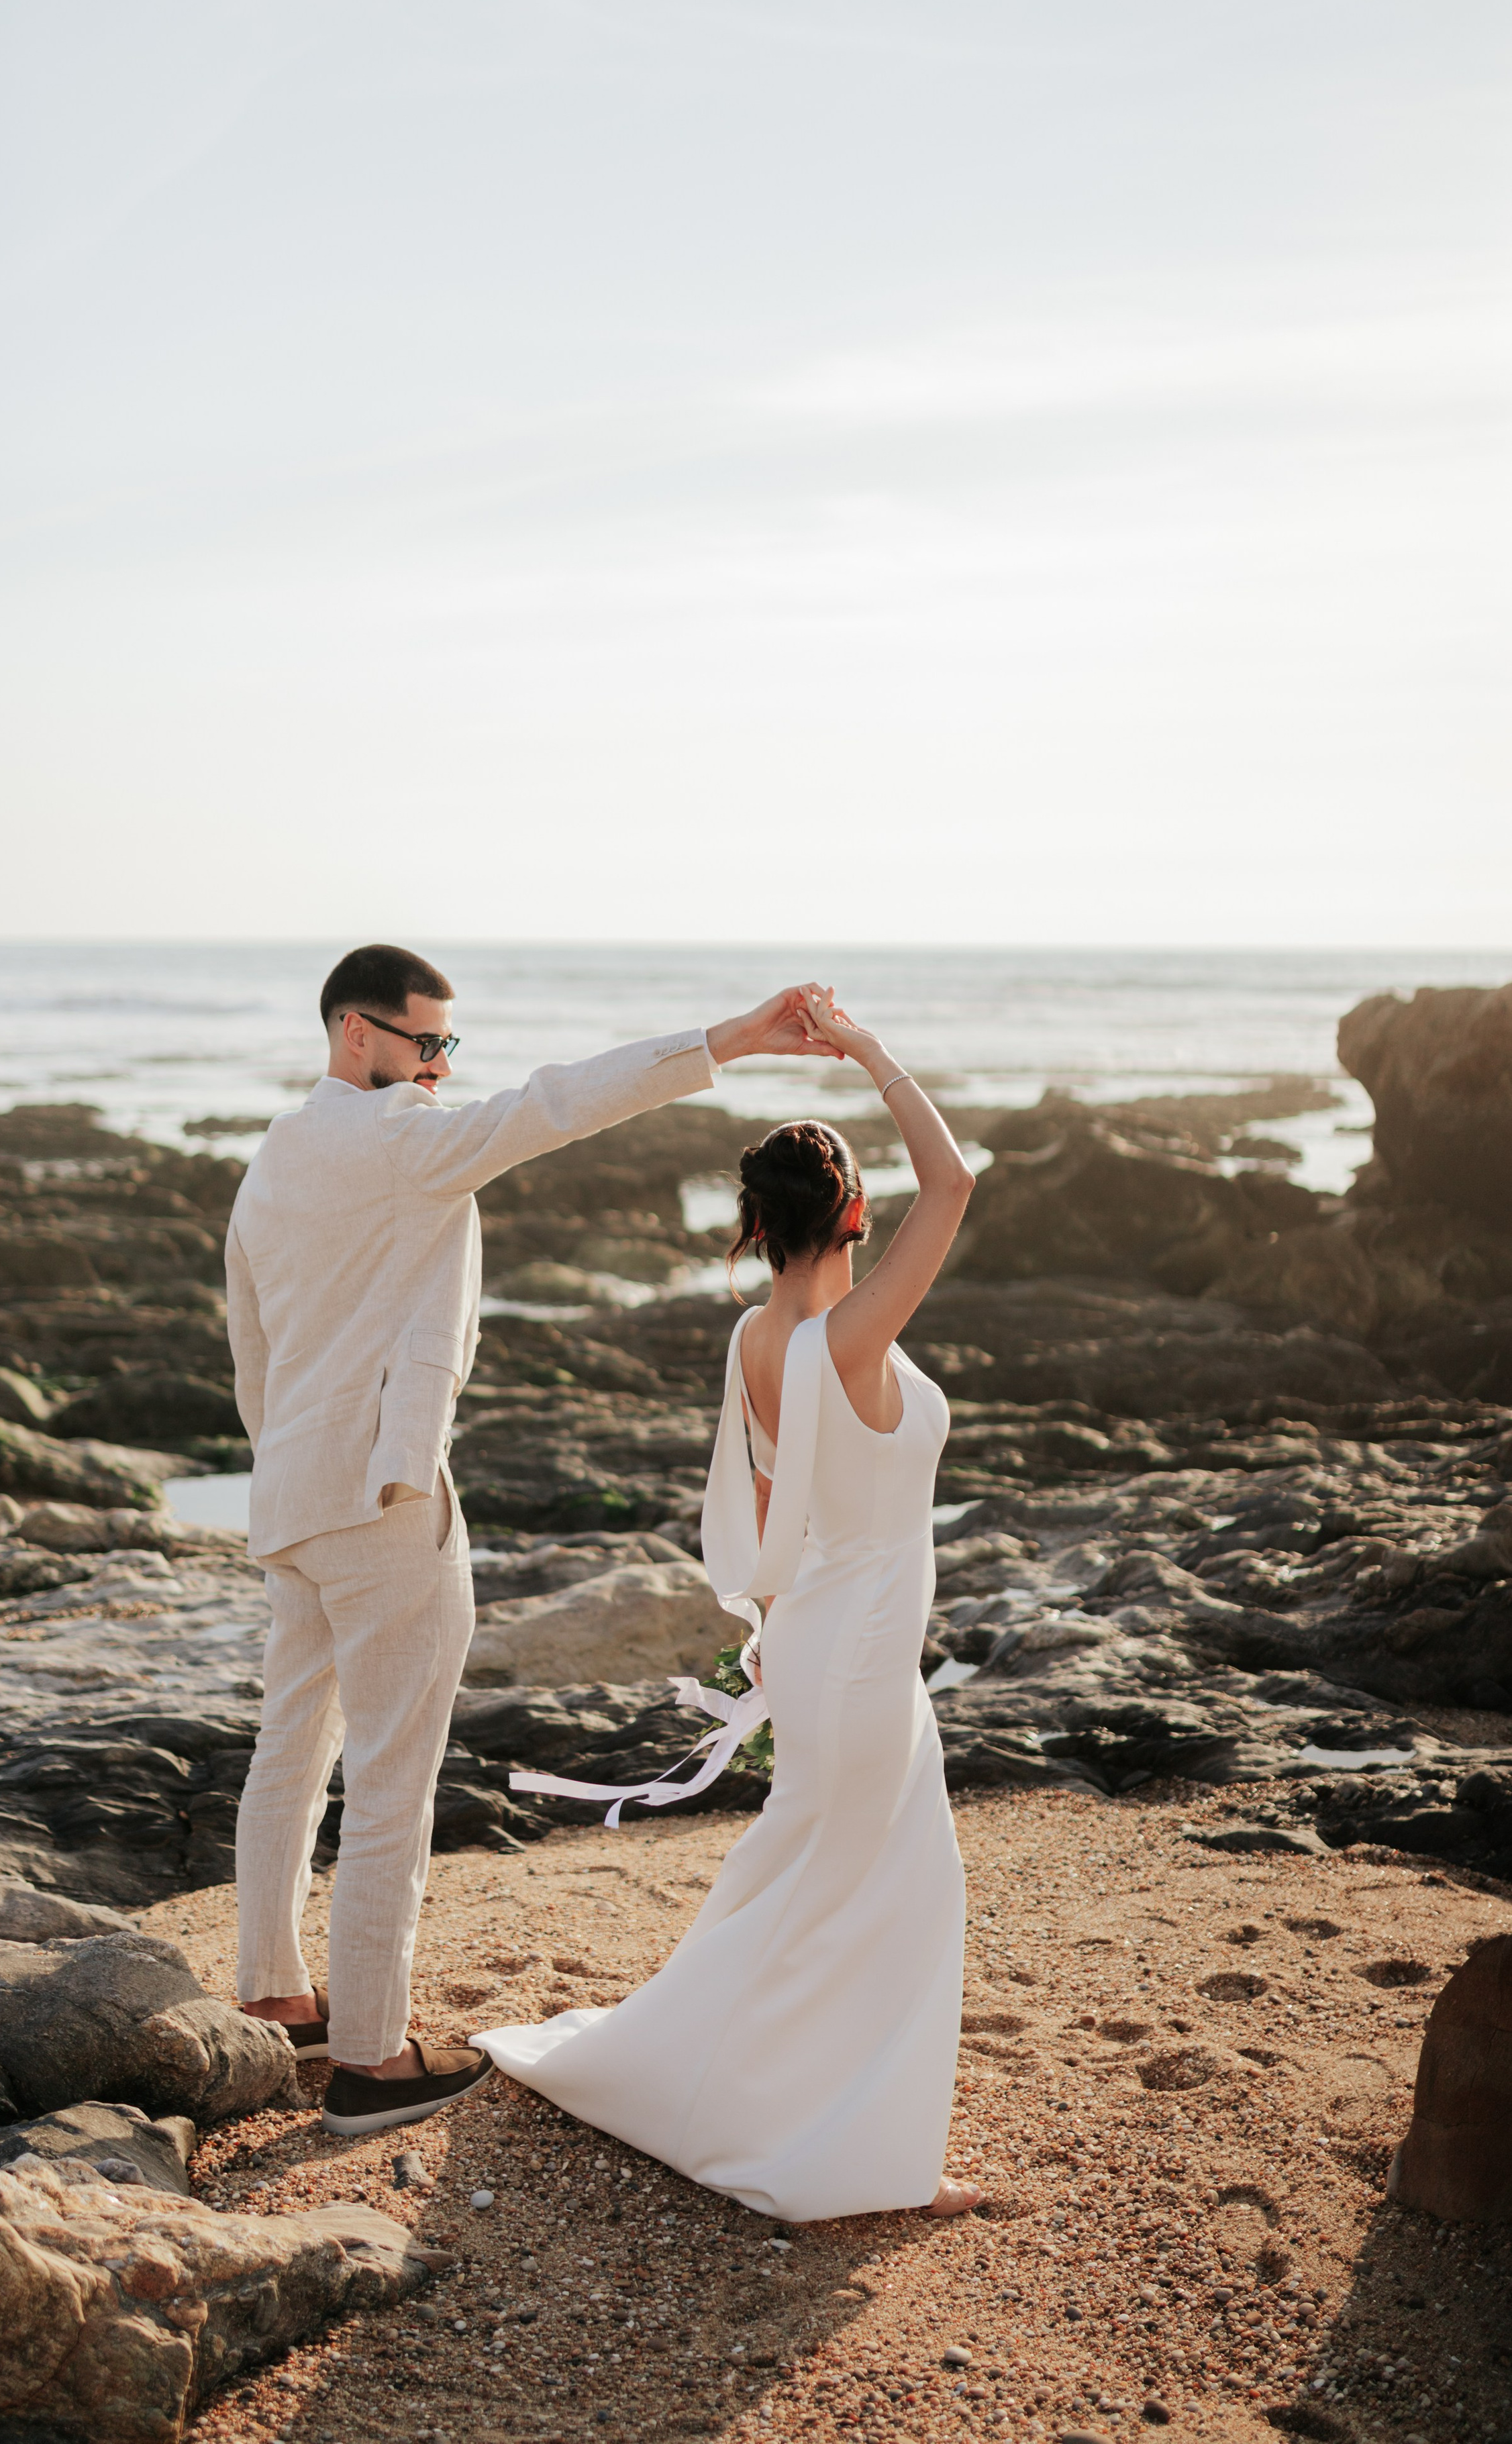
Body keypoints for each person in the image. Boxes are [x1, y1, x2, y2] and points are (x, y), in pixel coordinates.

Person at [225, 942, 834, 2139]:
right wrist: (729, 1039)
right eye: (427, 1044)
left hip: (291, 1494)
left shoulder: (273, 1158)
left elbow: (251, 1343)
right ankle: (371, 2060)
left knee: (289, 1751)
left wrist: (285, 1463)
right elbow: (557, 1104)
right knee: (390, 1780)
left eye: (450, 1046)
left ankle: (276, 1997)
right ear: (357, 1033)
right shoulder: (401, 1140)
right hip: (383, 1501)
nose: (443, 1068)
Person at [472, 984, 985, 2221]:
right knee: (877, 1897)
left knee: (822, 1883)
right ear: (853, 1214)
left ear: (758, 1226)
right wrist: (867, 1049)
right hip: (858, 1654)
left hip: (820, 1642)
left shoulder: (759, 1338)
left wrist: (768, 1629)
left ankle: (789, 2107)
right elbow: (956, 1181)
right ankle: (843, 2149)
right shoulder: (852, 1338)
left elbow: (767, 1500)